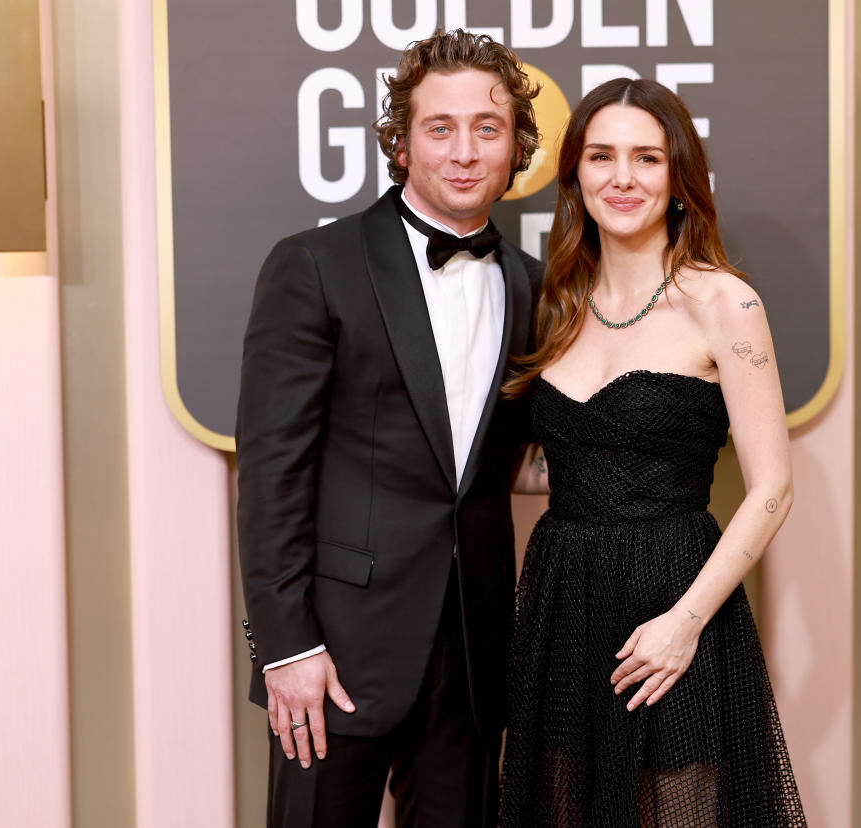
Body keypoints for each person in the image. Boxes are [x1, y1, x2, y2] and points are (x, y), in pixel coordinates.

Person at [235, 29, 542, 827]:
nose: (465, 151)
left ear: (517, 148)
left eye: (488, 127)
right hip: (333, 656)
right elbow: (273, 473)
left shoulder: (533, 286)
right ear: (402, 145)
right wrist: (286, 647)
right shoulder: (314, 265)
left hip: (472, 661)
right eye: (440, 128)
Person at [500, 78, 807, 826]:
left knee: (683, 810)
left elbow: (772, 488)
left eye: (647, 157)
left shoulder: (724, 303)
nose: (622, 177)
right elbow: (564, 460)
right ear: (574, 174)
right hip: (562, 599)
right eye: (601, 156)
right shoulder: (555, 303)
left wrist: (685, 623)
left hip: (676, 594)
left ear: (678, 179)